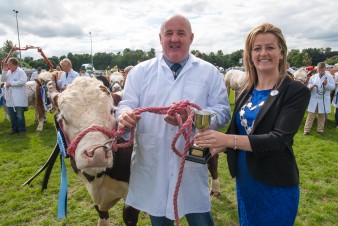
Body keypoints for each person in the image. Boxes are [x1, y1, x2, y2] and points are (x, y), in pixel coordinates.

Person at [116, 14, 231, 226]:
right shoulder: (140, 72)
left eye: (181, 33)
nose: (174, 38)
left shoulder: (209, 72)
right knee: (159, 219)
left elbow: (223, 112)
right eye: (169, 33)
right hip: (153, 165)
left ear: (191, 38)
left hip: (191, 166)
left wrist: (195, 117)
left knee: (201, 219)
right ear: (160, 38)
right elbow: (125, 105)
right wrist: (124, 116)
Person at [195, 22, 310, 225]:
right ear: (250, 55)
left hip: (276, 185)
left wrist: (226, 138)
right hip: (246, 184)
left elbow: (278, 139)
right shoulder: (246, 90)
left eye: (270, 47)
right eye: (256, 48)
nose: (263, 53)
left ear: (281, 53)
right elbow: (235, 133)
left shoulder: (295, 91)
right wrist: (209, 148)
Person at [304, 62, 335, 135]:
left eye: (322, 70)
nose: (321, 72)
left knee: (322, 115)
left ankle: (320, 130)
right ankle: (306, 130)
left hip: (323, 99)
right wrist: (310, 86)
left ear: (325, 69)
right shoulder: (313, 76)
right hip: (314, 98)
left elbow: (333, 87)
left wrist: (326, 84)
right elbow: (308, 85)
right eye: (319, 70)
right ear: (317, 69)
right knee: (311, 115)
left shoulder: (329, 77)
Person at [1, 57, 28, 134]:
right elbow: (2, 80)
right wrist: (4, 70)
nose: (7, 65)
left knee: (19, 115)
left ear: (12, 64)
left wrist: (11, 83)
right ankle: (14, 129)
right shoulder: (8, 72)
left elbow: (23, 82)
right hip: (9, 97)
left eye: (8, 63)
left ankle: (22, 130)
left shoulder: (20, 71)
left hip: (18, 97)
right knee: (11, 114)